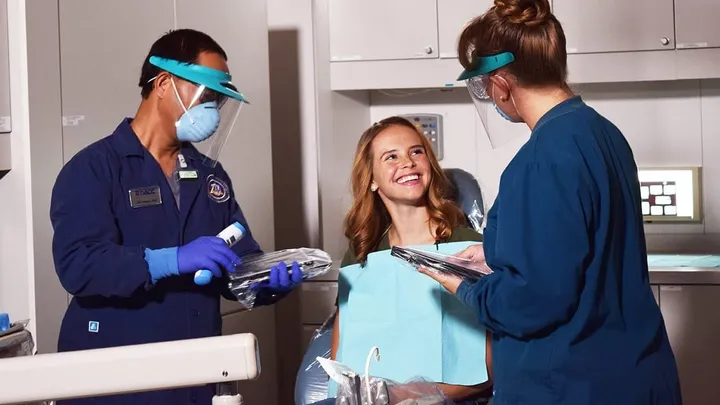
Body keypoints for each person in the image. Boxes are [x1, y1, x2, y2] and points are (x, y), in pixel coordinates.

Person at [418, 1, 683, 404]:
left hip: (573, 385)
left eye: (486, 85)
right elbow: (577, 252)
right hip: (635, 372)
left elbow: (531, 304)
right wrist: (495, 254)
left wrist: (465, 287)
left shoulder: (541, 159)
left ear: (501, 82)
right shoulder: (602, 133)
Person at [50, 29, 302, 405]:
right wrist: (171, 260)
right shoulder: (94, 168)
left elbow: (236, 259)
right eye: (207, 93)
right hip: (113, 376)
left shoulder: (209, 175)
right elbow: (78, 265)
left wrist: (264, 281)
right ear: (164, 83)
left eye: (218, 98)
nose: (213, 108)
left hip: (194, 374)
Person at [328, 117, 493, 404]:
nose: (407, 162)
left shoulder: (469, 248)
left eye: (416, 152)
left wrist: (414, 395)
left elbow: (491, 366)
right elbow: (342, 355)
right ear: (371, 180)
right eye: (391, 157)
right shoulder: (360, 255)